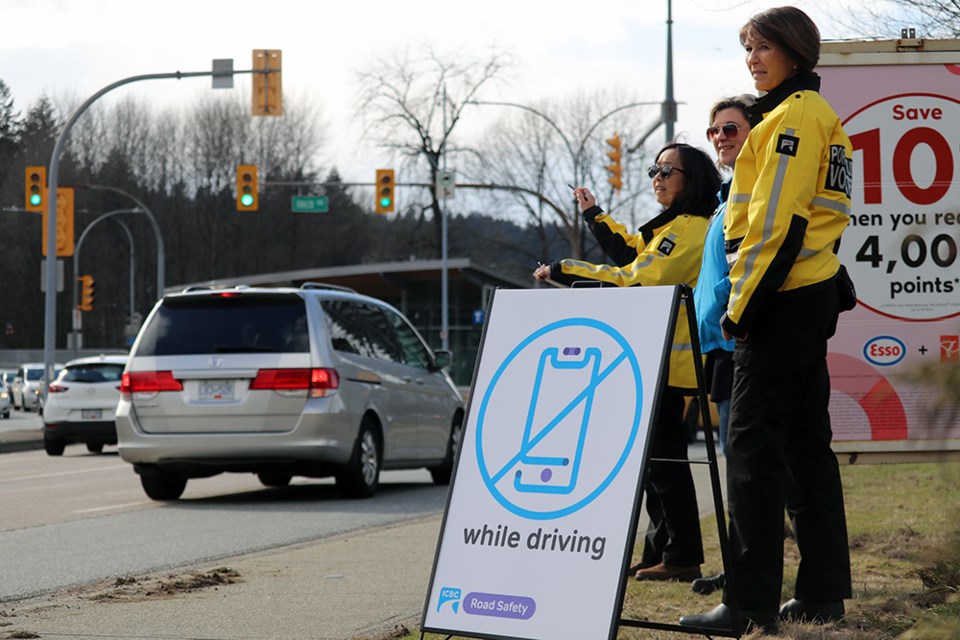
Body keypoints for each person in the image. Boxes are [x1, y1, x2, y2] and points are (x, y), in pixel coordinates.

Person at [679, 6, 854, 635]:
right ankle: (822, 592)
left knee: (751, 451)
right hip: (804, 299)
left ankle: (748, 605)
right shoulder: (813, 114)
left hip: (778, 304)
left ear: (793, 49)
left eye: (761, 47)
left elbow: (777, 227)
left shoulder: (790, 118)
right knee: (808, 449)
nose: (752, 59)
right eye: (748, 49)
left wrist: (742, 308)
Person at [534, 142, 721, 583]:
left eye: (666, 170)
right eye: (653, 170)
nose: (656, 177)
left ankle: (682, 556)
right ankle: (662, 551)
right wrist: (593, 214)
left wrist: (564, 269)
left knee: (664, 462)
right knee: (655, 462)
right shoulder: (671, 228)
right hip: (654, 361)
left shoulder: (690, 229)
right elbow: (631, 251)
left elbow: (635, 278)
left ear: (690, 179)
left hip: (669, 367)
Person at [688, 94, 756, 598]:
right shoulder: (726, 195)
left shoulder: (752, 189)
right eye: (714, 131)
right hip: (720, 347)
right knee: (742, 465)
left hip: (739, 342)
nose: (719, 138)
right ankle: (739, 565)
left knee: (749, 466)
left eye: (730, 129)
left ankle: (747, 574)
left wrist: (727, 317)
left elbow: (742, 269)